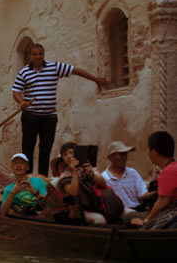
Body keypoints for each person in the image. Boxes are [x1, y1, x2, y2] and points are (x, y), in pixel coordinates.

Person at [12, 44, 107, 176]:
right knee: (28, 148)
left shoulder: (54, 67)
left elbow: (76, 71)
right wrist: (22, 101)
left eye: (40, 54)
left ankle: (42, 178)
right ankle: (26, 178)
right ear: (30, 55)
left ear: (43, 54)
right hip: (30, 116)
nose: (38, 56)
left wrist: (95, 79)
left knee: (46, 149)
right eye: (35, 54)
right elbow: (16, 91)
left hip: (49, 117)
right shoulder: (24, 72)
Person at [54, 147, 111, 225]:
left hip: (98, 204)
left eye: (71, 152)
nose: (69, 156)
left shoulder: (87, 167)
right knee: (100, 220)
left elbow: (103, 183)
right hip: (80, 209)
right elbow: (74, 192)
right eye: (65, 155)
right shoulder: (64, 177)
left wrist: (91, 173)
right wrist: (74, 171)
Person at [101, 141, 154, 223]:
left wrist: (157, 193)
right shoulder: (104, 178)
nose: (124, 157)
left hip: (138, 209)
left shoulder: (132, 173)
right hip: (121, 212)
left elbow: (143, 194)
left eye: (125, 154)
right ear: (110, 157)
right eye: (120, 154)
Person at [144, 131, 177, 229]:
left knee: (130, 217)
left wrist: (147, 221)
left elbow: (162, 203)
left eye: (148, 149)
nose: (147, 153)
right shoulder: (174, 167)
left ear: (153, 152)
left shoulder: (168, 172)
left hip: (171, 219)